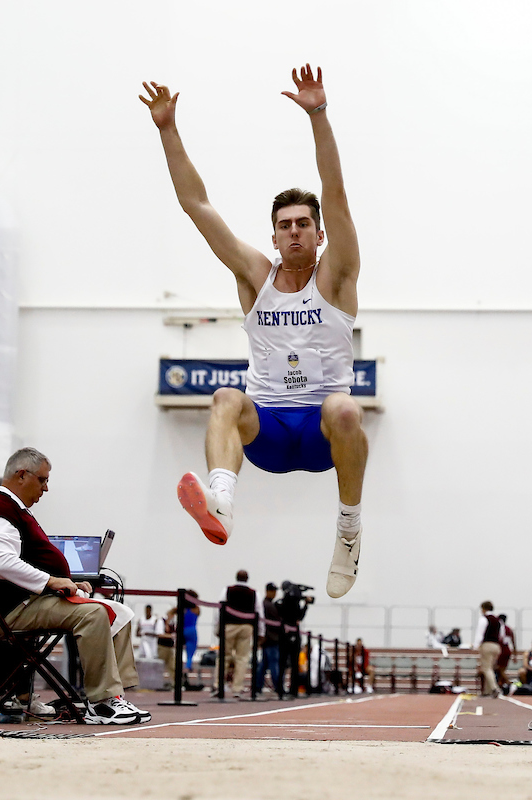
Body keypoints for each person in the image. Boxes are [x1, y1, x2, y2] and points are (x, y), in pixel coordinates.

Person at [142, 65, 367, 599]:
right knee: (223, 396)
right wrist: (168, 131)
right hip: (266, 430)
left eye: (303, 224)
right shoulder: (255, 276)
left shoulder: (335, 277)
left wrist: (318, 115)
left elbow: (335, 192)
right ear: (274, 233)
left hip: (320, 433)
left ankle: (349, 531)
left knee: (347, 409)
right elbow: (197, 207)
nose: (294, 232)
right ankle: (220, 500)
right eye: (285, 225)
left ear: (319, 234)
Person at [0, 447, 149, 725]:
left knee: (118, 612)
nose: (46, 488)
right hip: (15, 609)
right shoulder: (0, 513)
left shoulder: (13, 510)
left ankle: (116, 697)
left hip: (31, 600)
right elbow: (1, 564)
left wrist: (66, 583)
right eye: (42, 480)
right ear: (21, 475)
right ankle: (101, 702)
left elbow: (21, 563)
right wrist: (52, 581)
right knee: (93, 614)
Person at [218, 570, 261, 698]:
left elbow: (219, 607)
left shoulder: (227, 590)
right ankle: (237, 687)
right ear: (247, 578)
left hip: (229, 625)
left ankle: (218, 684)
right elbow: (259, 611)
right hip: (246, 626)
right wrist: (260, 631)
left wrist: (217, 627)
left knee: (223, 657)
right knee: (242, 658)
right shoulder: (254, 593)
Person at [256, 582, 283, 696]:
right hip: (271, 639)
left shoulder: (265, 604)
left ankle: (257, 687)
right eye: (273, 591)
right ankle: (278, 687)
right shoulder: (269, 605)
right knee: (273, 664)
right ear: (268, 591)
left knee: (264, 665)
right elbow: (276, 623)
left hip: (267, 639)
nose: (275, 593)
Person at [474, 601, 502, 698]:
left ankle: (494, 688)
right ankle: (487, 691)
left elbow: (480, 633)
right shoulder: (498, 620)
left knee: (486, 668)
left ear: (484, 609)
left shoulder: (484, 619)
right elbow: (501, 634)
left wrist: (476, 645)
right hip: (496, 645)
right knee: (490, 668)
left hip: (487, 644)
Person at [495, 613, 516, 692]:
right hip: (507, 650)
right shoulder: (509, 629)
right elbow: (514, 643)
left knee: (500, 670)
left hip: (501, 651)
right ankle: (500, 685)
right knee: (501, 669)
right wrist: (515, 655)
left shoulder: (500, 629)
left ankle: (509, 682)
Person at [183, 590, 200, 674]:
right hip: (191, 630)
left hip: (183, 630)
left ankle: (184, 667)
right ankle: (187, 667)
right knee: (190, 653)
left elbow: (170, 613)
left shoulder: (182, 609)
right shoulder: (196, 609)